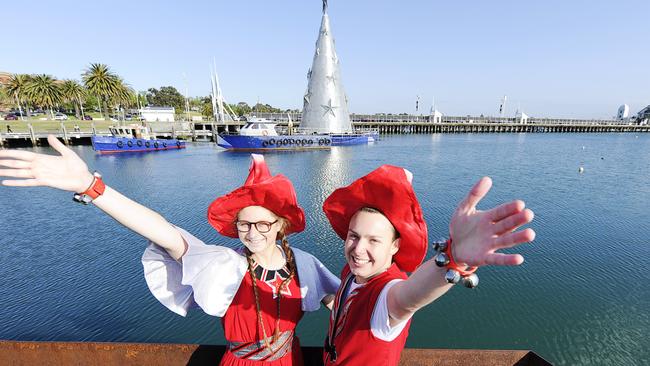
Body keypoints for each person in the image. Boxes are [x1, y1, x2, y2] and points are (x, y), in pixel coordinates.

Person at [0, 135, 339, 366]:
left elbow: (343, 307)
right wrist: (92, 187)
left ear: (280, 225)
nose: (252, 232)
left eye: (263, 224)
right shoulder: (225, 265)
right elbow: (163, 231)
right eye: (244, 224)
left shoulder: (304, 264)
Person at [320, 165, 535, 365]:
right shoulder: (351, 272)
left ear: (395, 246)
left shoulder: (385, 295)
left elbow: (408, 299)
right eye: (354, 236)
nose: (358, 249)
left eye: (373, 240)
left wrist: (454, 256)